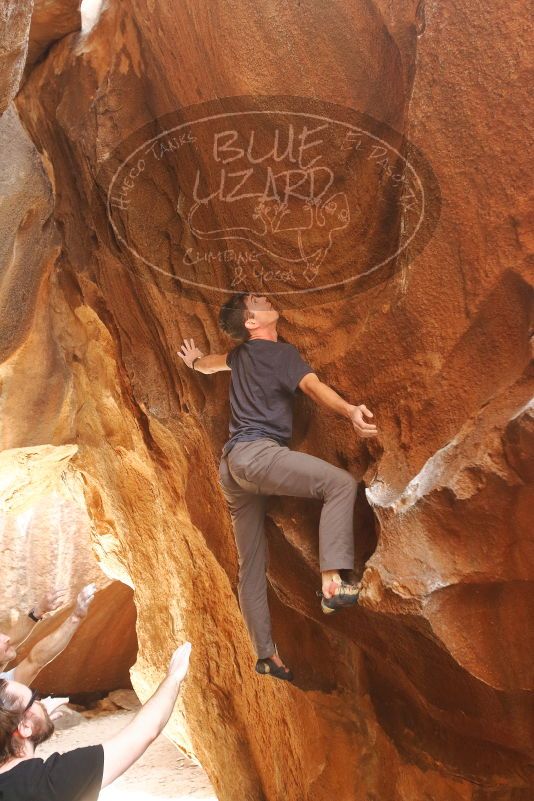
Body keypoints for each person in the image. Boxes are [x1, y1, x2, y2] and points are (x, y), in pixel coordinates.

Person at [178, 291, 378, 681]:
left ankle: (265, 654)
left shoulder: (238, 357)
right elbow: (314, 389)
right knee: (339, 484)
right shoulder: (283, 355)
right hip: (257, 457)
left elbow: (205, 366)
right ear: (252, 322)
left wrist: (193, 361)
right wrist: (350, 410)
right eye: (258, 300)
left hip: (232, 468)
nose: (266, 298)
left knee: (251, 565)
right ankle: (332, 584)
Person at [0, 641, 191, 800]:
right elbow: (143, 732)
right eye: (34, 699)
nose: (40, 701)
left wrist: (36, 718)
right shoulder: (50, 783)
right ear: (24, 727)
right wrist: (173, 677)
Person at [0, 585, 96, 685]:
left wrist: (39, 610)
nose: (7, 638)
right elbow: (35, 662)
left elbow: (14, 647)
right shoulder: (5, 692)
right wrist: (76, 617)